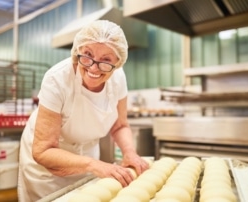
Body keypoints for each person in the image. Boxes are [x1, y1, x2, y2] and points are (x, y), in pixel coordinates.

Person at [17, 20, 149, 201]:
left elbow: (120, 125)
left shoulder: (118, 78)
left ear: (118, 63)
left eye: (106, 60)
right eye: (87, 54)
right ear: (77, 50)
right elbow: (43, 151)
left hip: (88, 159)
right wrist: (94, 165)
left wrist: (130, 153)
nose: (94, 67)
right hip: (49, 167)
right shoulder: (57, 80)